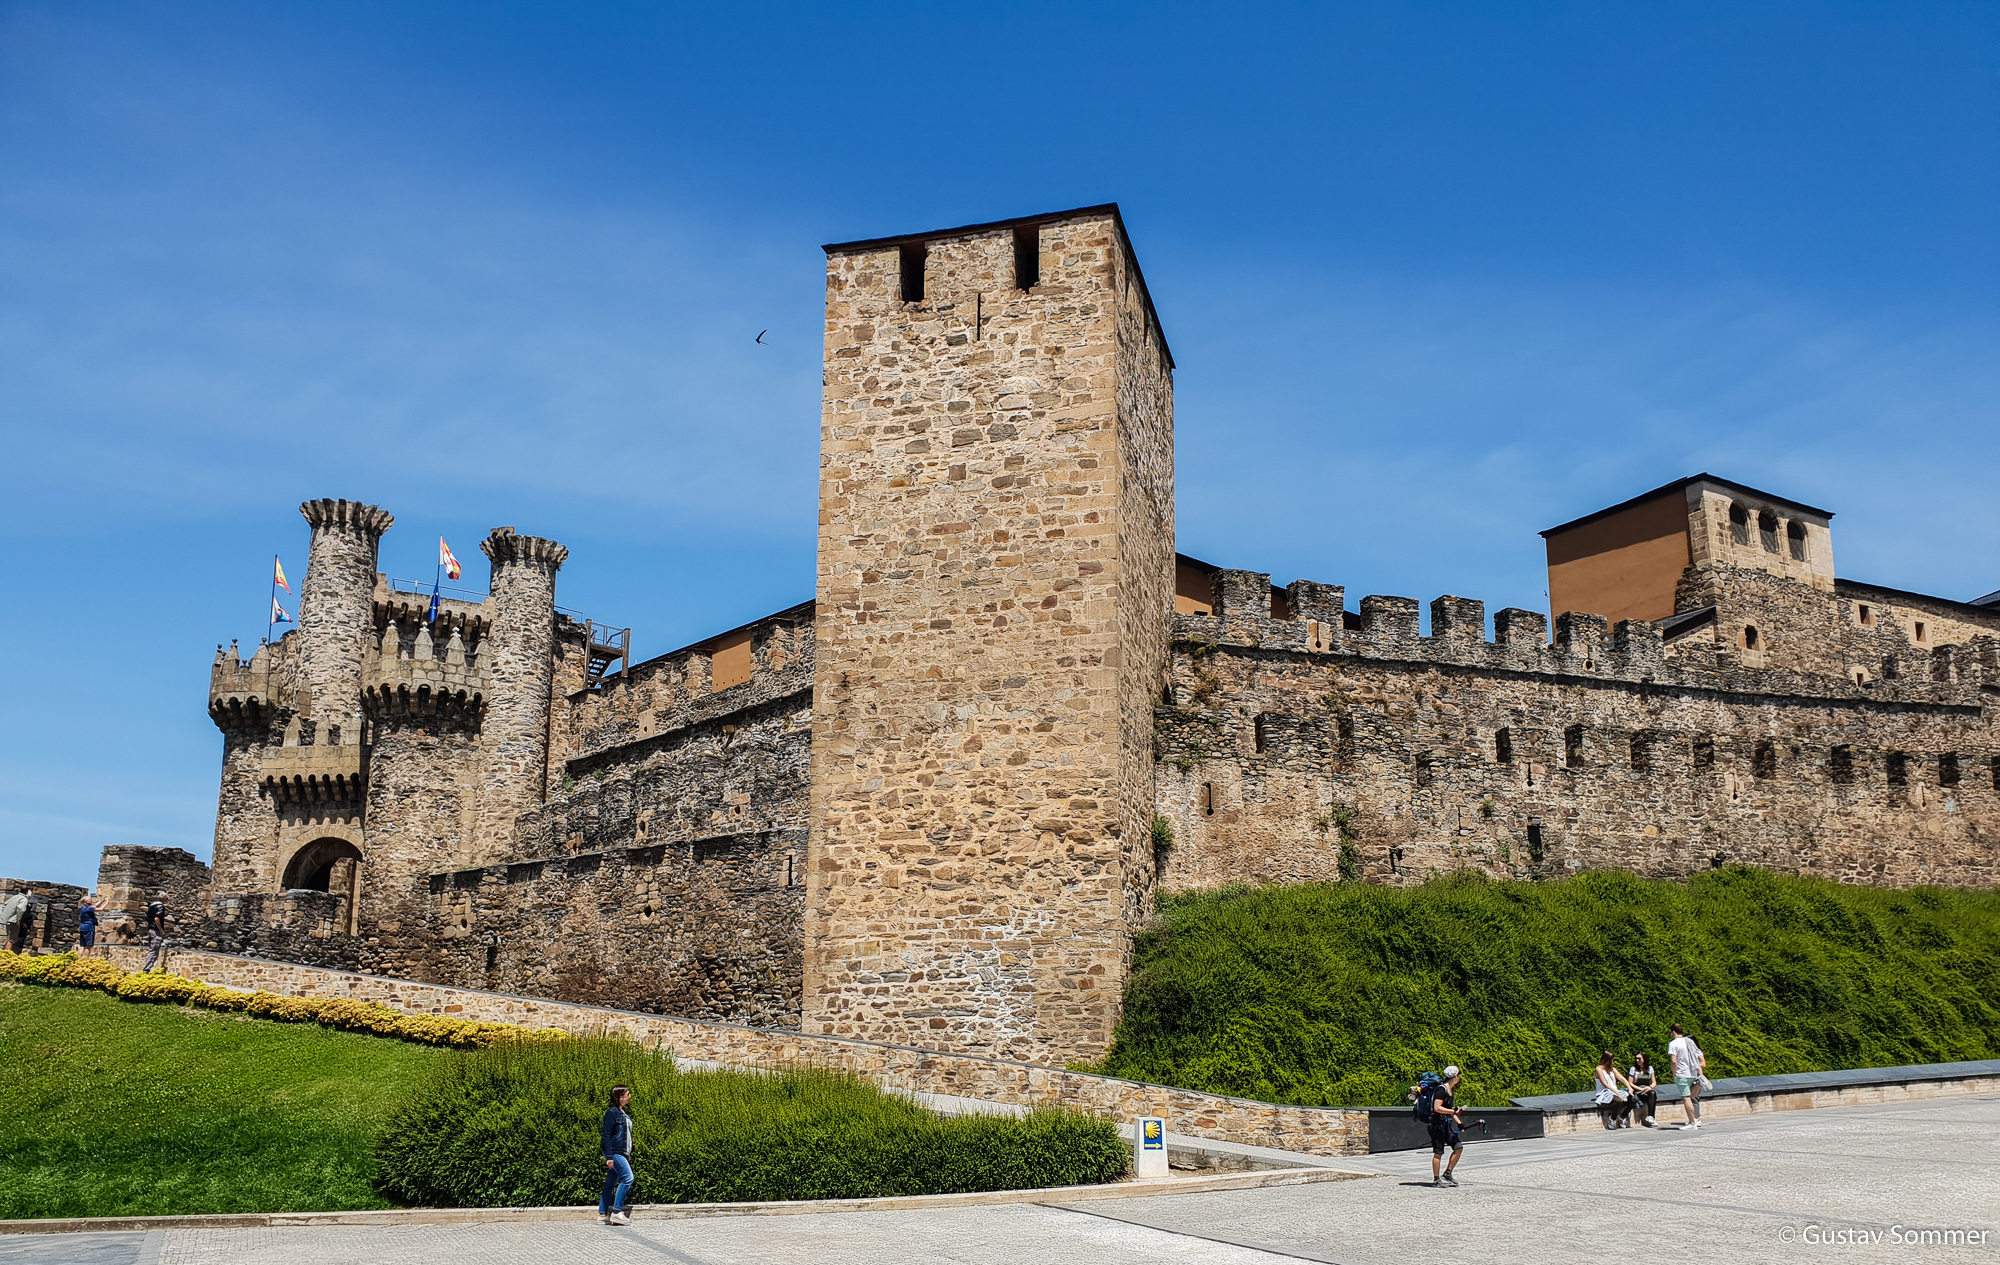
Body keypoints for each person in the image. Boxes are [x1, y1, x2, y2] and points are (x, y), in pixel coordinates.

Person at [1417, 1065, 1467, 1186]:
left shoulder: (1450, 1090)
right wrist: (1453, 1112)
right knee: (1438, 1152)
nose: (1459, 1078)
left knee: (1458, 1147)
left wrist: (1460, 1124)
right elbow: (1437, 1107)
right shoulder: (1441, 1089)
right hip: (1436, 1124)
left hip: (1446, 1123)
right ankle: (1436, 1179)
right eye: (1458, 1075)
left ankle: (1448, 1173)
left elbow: (1450, 1110)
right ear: (1455, 1077)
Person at [599, 1084, 635, 1225]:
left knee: (611, 1183)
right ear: (620, 1097)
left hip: (622, 1152)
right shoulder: (612, 1112)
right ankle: (616, 1212)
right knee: (628, 1178)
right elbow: (606, 1136)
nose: (629, 1096)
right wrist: (609, 1156)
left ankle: (602, 1215)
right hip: (615, 1152)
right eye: (627, 1094)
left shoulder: (622, 1113)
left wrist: (628, 1152)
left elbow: (626, 1136)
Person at [1667, 1023, 1706, 1130]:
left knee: (1686, 1098)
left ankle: (1692, 1122)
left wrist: (1674, 1073)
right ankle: (1695, 1120)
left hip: (1682, 1074)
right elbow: (1698, 1055)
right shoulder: (1689, 1041)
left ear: (1673, 1032)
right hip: (1693, 1073)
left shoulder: (1673, 1044)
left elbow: (1674, 1061)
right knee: (1691, 1097)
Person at [1592, 1050, 1633, 1128]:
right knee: (1618, 1100)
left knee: (1634, 1099)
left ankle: (1623, 1116)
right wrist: (1617, 1094)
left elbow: (1622, 1078)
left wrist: (1629, 1088)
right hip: (1605, 1092)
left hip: (1614, 1091)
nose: (1613, 1062)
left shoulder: (1612, 1069)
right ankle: (1612, 1118)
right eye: (1613, 1060)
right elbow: (1605, 1084)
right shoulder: (1599, 1069)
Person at [1628, 1052, 1659, 1127]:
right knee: (1647, 1095)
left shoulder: (1650, 1069)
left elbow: (1654, 1082)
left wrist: (1650, 1087)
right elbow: (1630, 1083)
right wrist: (1640, 1089)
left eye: (1639, 1058)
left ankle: (1651, 1116)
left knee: (1652, 1093)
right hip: (1637, 1089)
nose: (1637, 1060)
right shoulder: (1633, 1069)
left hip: (1647, 1089)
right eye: (1636, 1059)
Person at [142, 894, 167, 972]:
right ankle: (146, 970)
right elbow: (157, 918)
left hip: (150, 930)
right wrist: (161, 930)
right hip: (156, 931)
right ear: (164, 899)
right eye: (166, 899)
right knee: (154, 951)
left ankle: (146, 968)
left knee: (151, 949)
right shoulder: (160, 907)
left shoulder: (151, 906)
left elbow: (146, 919)